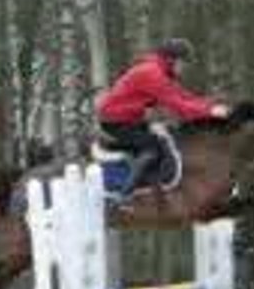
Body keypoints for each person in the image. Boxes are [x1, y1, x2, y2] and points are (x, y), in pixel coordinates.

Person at [95, 37, 230, 202]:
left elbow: (184, 97)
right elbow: (179, 107)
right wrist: (211, 112)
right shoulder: (153, 74)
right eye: (183, 63)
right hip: (115, 122)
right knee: (153, 147)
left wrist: (212, 106)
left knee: (163, 136)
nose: (185, 68)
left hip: (128, 118)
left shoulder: (159, 71)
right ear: (171, 59)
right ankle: (125, 194)